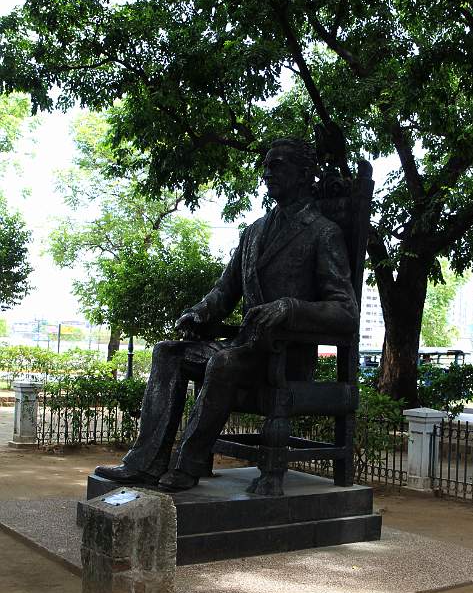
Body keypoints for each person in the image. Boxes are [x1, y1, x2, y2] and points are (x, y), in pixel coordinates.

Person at [94, 137, 358, 491]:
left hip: (286, 356)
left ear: (305, 173)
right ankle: (145, 462)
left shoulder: (324, 233)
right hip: (245, 348)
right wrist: (199, 313)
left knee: (223, 363)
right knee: (167, 351)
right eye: (266, 165)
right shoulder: (253, 232)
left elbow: (345, 311)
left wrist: (289, 308)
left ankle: (187, 466)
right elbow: (224, 291)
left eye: (278, 165)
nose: (268, 173)